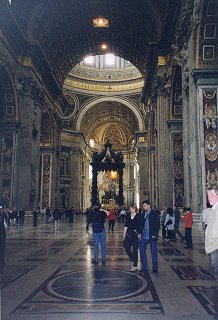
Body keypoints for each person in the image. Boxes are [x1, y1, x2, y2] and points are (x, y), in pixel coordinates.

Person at [138, 200, 160, 273]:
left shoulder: (154, 213)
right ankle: (144, 267)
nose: (144, 208)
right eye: (143, 206)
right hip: (144, 235)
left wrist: (155, 234)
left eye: (145, 206)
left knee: (153, 252)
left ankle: (155, 268)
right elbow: (141, 224)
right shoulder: (143, 214)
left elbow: (157, 225)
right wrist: (139, 233)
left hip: (151, 236)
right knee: (141, 250)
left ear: (148, 205)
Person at [205, 187, 218, 280]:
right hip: (213, 243)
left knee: (215, 263)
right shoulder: (213, 209)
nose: (209, 197)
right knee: (214, 263)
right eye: (208, 195)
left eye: (212, 195)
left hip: (216, 243)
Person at [123, 204, 140, 272]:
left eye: (131, 209)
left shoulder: (138, 216)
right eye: (130, 209)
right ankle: (133, 258)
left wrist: (139, 233)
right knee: (127, 248)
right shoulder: (127, 215)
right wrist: (124, 235)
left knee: (135, 250)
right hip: (129, 234)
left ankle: (135, 266)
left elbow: (140, 225)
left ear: (135, 209)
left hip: (135, 234)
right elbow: (126, 225)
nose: (130, 210)